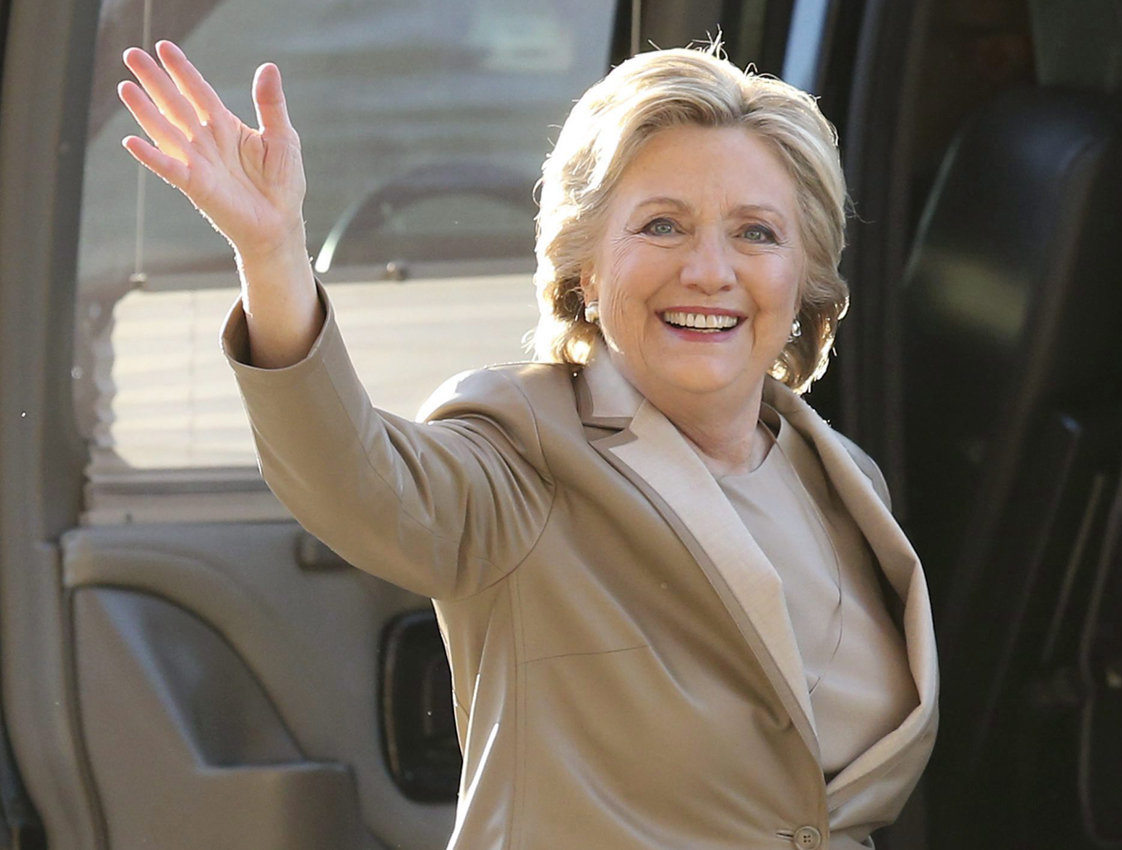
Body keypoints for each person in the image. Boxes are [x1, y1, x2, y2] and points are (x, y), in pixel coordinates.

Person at [118, 38, 938, 850]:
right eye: (663, 225)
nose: (709, 270)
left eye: (756, 233)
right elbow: (355, 480)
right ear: (587, 269)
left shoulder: (840, 476)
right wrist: (272, 257)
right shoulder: (523, 447)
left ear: (804, 277)